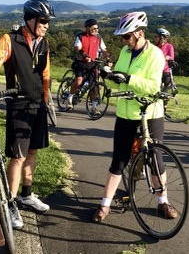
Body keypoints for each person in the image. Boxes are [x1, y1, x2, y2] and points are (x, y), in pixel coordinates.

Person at [92, 12, 179, 222]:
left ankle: (163, 201)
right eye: (122, 37)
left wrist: (129, 79)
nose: (124, 41)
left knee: (156, 159)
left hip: (151, 113)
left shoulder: (155, 54)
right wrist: (108, 75)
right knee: (119, 160)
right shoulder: (125, 51)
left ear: (140, 33)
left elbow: (153, 86)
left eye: (127, 36)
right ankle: (104, 205)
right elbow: (119, 80)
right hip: (126, 113)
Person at [0, 0, 55, 227]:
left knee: (32, 152)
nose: (46, 25)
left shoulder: (44, 43)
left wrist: (46, 96)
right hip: (19, 105)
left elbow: (46, 72)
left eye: (48, 21)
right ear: (30, 19)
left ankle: (26, 195)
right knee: (18, 156)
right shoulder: (10, 39)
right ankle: (10, 203)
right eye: (43, 21)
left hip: (37, 105)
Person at [65, 18, 107, 106]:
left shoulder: (98, 37)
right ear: (87, 28)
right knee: (79, 81)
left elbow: (104, 49)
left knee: (93, 84)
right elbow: (77, 48)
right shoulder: (80, 36)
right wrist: (85, 56)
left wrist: (108, 58)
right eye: (94, 28)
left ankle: (94, 107)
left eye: (97, 28)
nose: (96, 30)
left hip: (92, 64)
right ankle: (70, 96)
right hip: (81, 62)